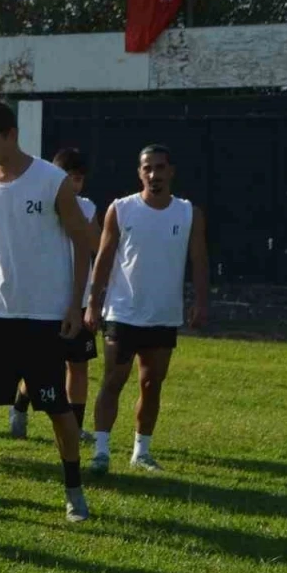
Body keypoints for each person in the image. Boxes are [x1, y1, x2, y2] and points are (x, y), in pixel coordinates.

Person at [0, 100, 94, 523]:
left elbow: (82, 241)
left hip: (42, 316)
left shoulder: (52, 180)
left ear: (12, 135)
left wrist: (75, 304)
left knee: (56, 407)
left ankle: (74, 493)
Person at [86, 145, 208, 473]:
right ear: (139, 173)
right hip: (123, 312)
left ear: (171, 171)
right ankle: (101, 451)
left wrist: (200, 302)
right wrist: (93, 304)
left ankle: (141, 452)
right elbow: (104, 258)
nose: (154, 174)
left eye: (160, 167)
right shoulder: (121, 209)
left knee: (152, 384)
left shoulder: (188, 213)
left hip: (163, 315)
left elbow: (199, 260)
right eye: (147, 168)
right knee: (113, 380)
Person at [9, 148, 101, 442]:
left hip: (78, 299)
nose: (73, 184)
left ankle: (76, 426)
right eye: (67, 177)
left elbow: (97, 246)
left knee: (78, 364)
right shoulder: (39, 204)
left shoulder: (87, 208)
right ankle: (20, 404)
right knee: (43, 366)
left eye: (78, 179)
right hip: (46, 300)